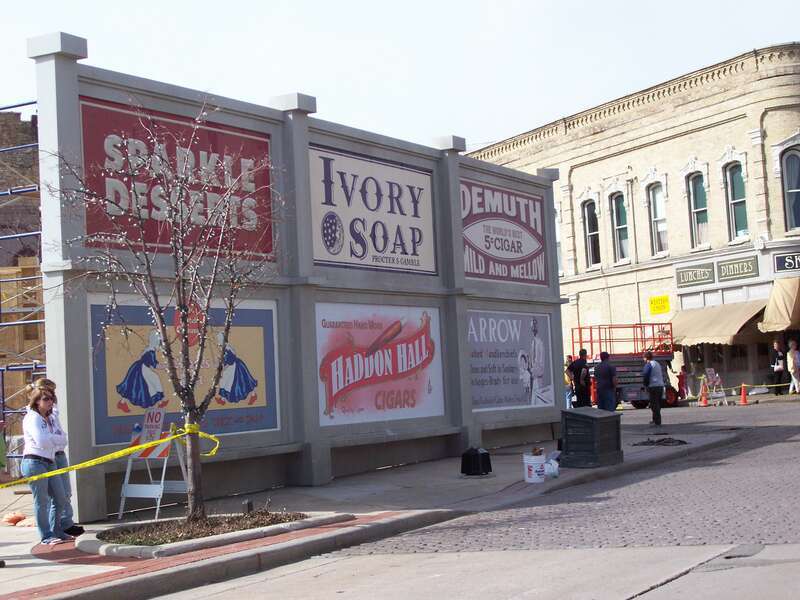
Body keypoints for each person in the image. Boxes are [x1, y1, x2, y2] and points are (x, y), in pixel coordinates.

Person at [21, 380, 72, 545]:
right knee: (42, 500)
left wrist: (53, 439)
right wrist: (54, 439)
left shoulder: (50, 417)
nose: (50, 402)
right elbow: (42, 442)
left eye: (51, 398)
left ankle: (57, 530)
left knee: (61, 497)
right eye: (45, 399)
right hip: (34, 462)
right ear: (36, 401)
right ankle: (45, 535)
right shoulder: (33, 418)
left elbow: (64, 439)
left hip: (50, 461)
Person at [38, 379, 84, 537]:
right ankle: (56, 527)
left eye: (52, 395)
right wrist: (57, 439)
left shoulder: (53, 412)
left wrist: (58, 439)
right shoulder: (36, 416)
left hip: (59, 453)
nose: (51, 398)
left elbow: (62, 436)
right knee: (55, 496)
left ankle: (66, 522)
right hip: (48, 456)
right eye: (47, 395)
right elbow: (46, 439)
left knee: (65, 492)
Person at [642, 351, 665, 427]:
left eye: (643, 358)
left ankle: (657, 422)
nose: (643, 359)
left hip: (653, 386)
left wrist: (645, 385)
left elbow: (646, 376)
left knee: (654, 405)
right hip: (660, 385)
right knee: (657, 404)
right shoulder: (657, 363)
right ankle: (655, 419)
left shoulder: (648, 365)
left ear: (645, 358)